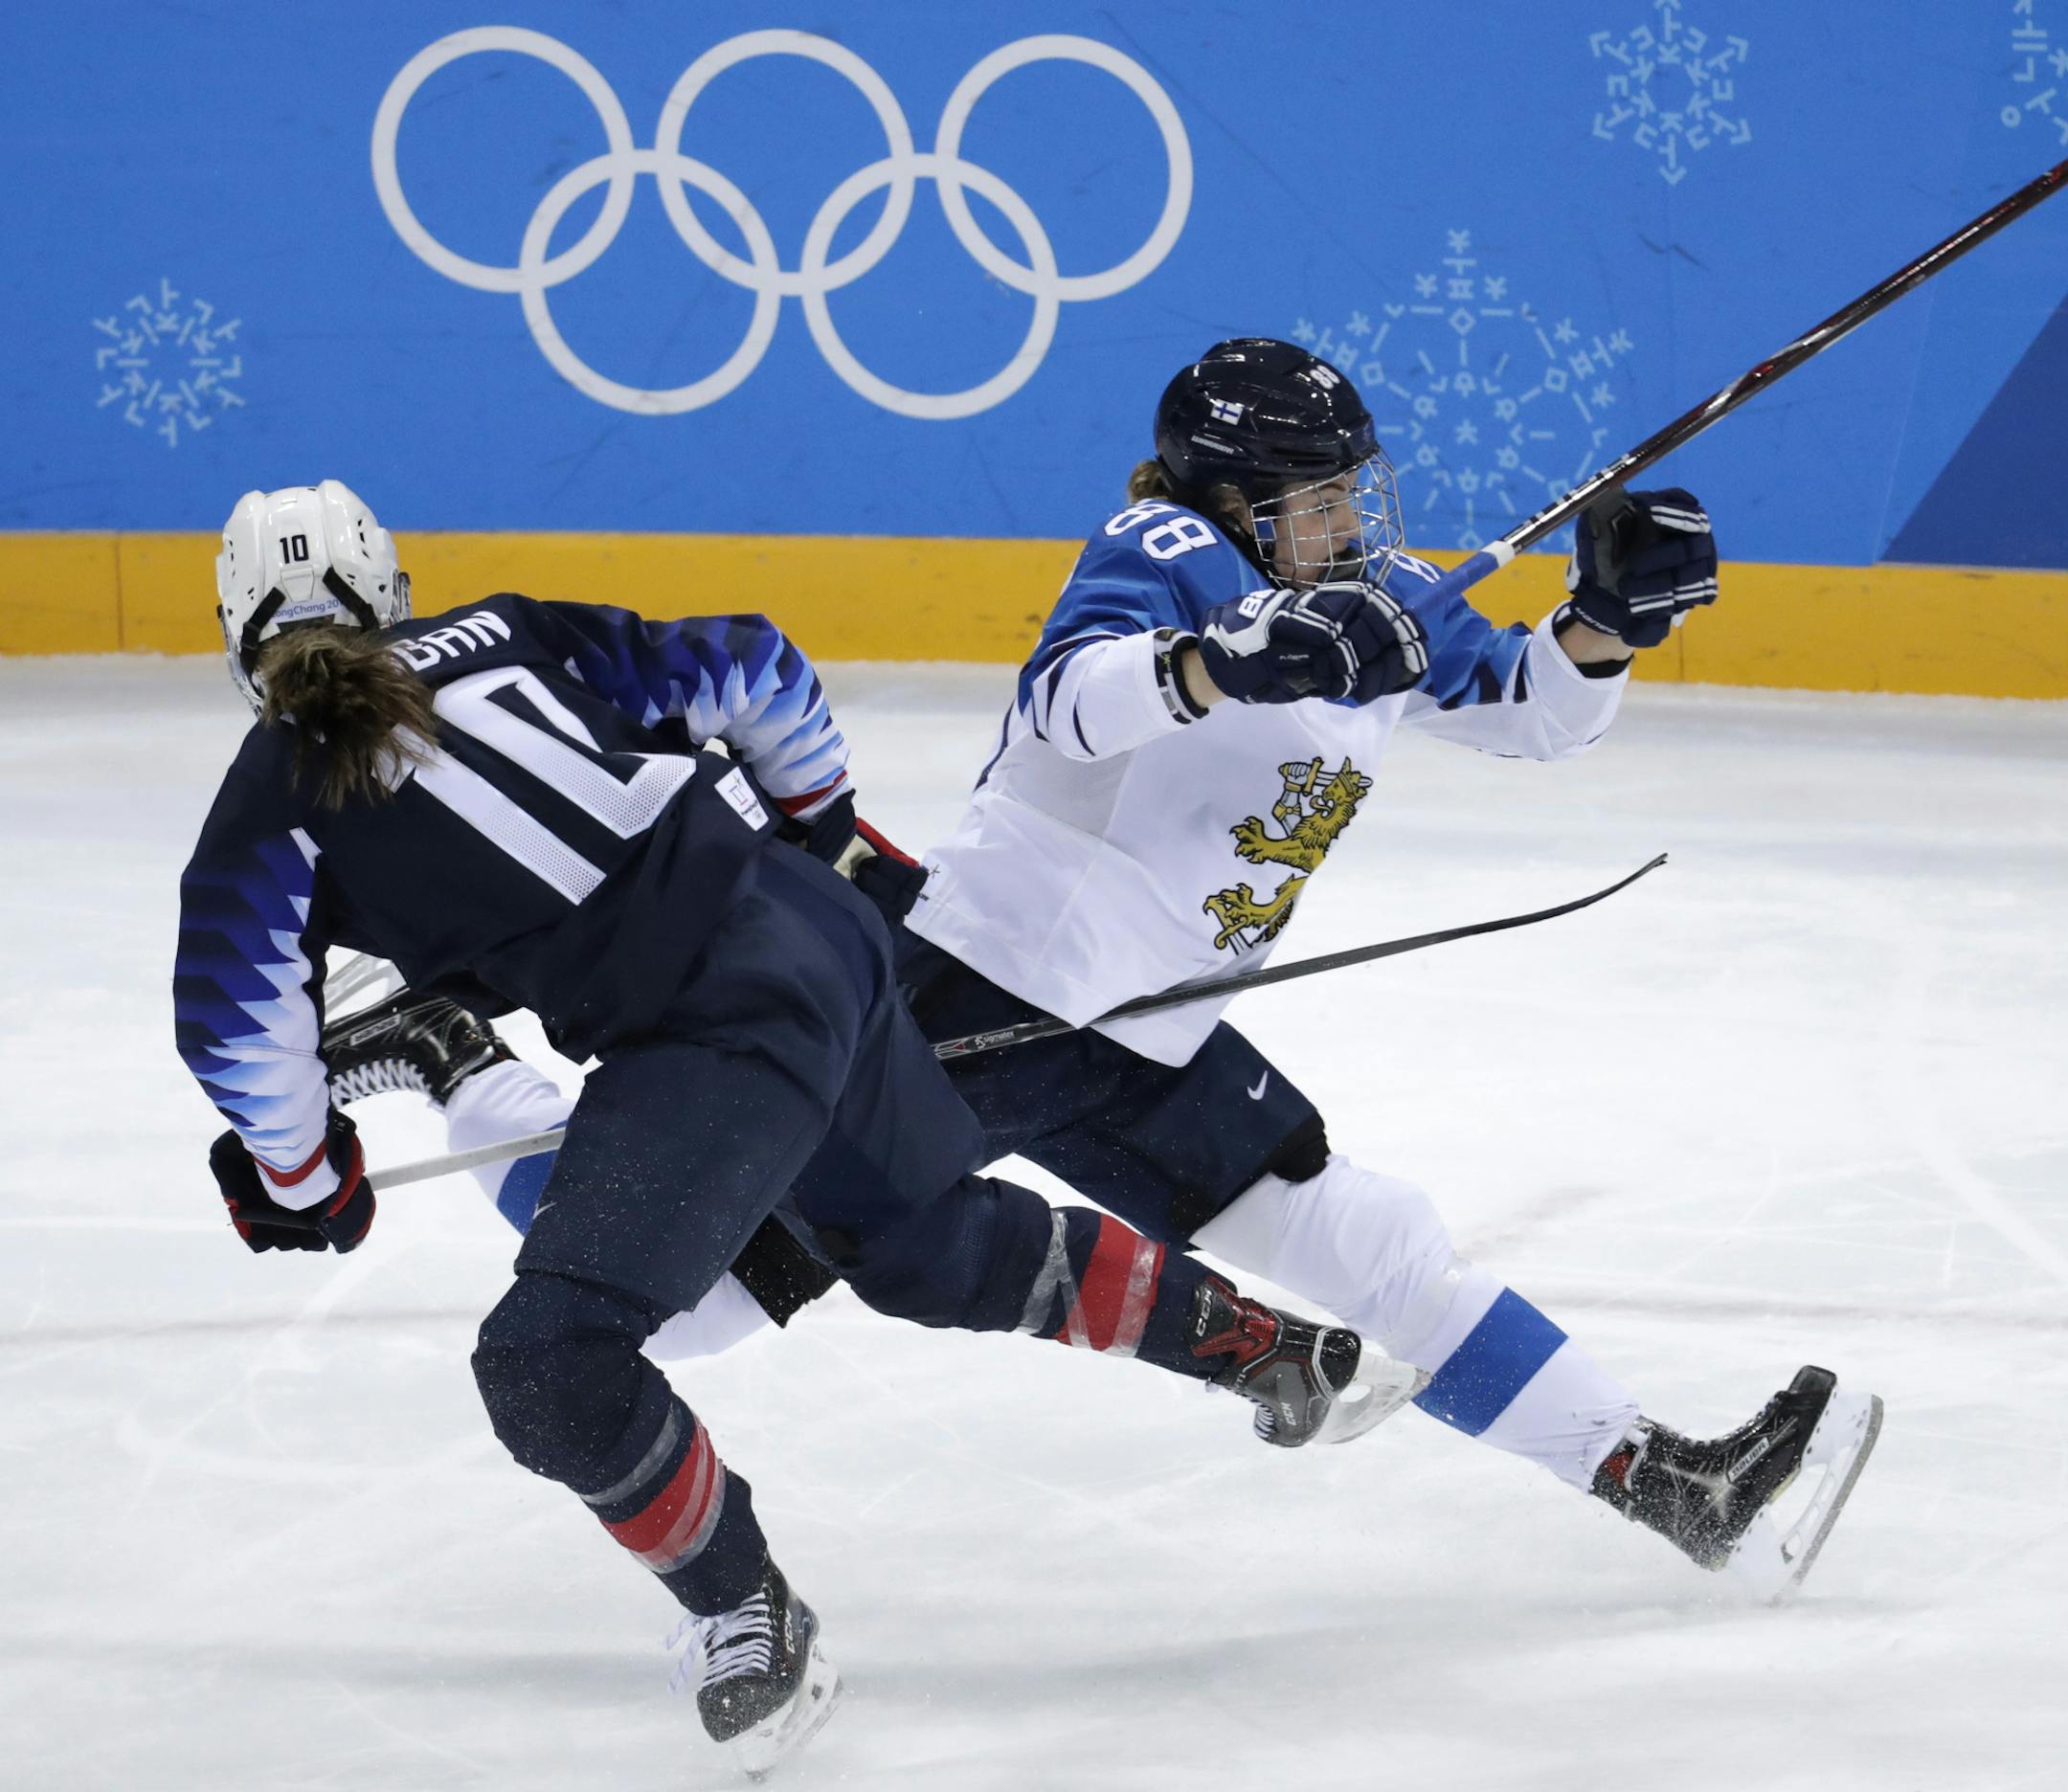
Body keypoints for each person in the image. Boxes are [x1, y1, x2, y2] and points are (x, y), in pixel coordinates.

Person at [632, 340, 1883, 1598]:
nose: (1348, 518)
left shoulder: (1369, 589)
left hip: (1148, 1040)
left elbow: (1535, 710)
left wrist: (1606, 625)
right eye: (1316, 499)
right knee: (719, 1292)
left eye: (1354, 487)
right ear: (1229, 503)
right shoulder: (1165, 553)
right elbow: (1068, 695)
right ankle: (528, 1179)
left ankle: (1668, 1481)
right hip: (982, 998)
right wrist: (1224, 658)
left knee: (1376, 1242)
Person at [173, 480, 1376, 1774]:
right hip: (824, 939)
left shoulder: (266, 805)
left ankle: (747, 1613)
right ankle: (1260, 1345)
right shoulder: (505, 630)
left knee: (549, 1365)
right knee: (924, 1246)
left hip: (713, 1037)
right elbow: (754, 666)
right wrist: (816, 837)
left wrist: (305, 1181)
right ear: (388, 589)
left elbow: (238, 1034)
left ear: (240, 636)